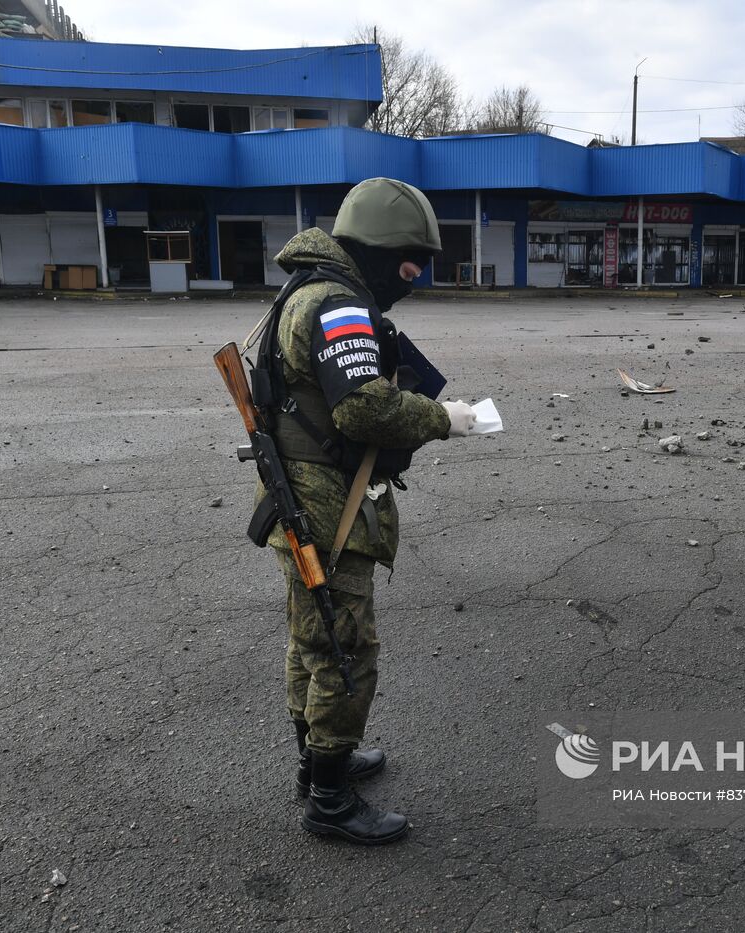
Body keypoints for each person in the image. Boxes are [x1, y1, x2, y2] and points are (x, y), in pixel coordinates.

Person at [258, 177, 476, 845]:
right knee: (347, 649)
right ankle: (329, 798)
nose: (415, 275)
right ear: (378, 246)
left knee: (313, 642)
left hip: (304, 506)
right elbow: (366, 406)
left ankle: (318, 760)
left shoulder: (309, 289)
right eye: (411, 260)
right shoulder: (336, 303)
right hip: (328, 513)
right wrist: (446, 418)